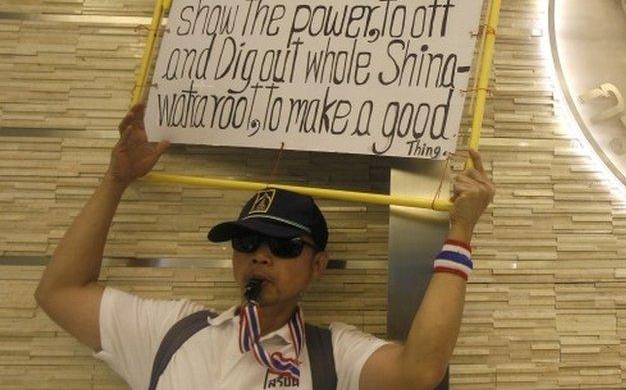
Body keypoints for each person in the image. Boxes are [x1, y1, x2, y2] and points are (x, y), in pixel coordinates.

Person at [34, 102, 495, 390]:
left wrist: (461, 233)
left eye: (284, 245)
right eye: (247, 240)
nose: (260, 255)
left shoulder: (332, 355)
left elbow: (420, 371)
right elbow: (59, 292)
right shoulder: (171, 332)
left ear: (319, 266)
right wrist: (116, 180)